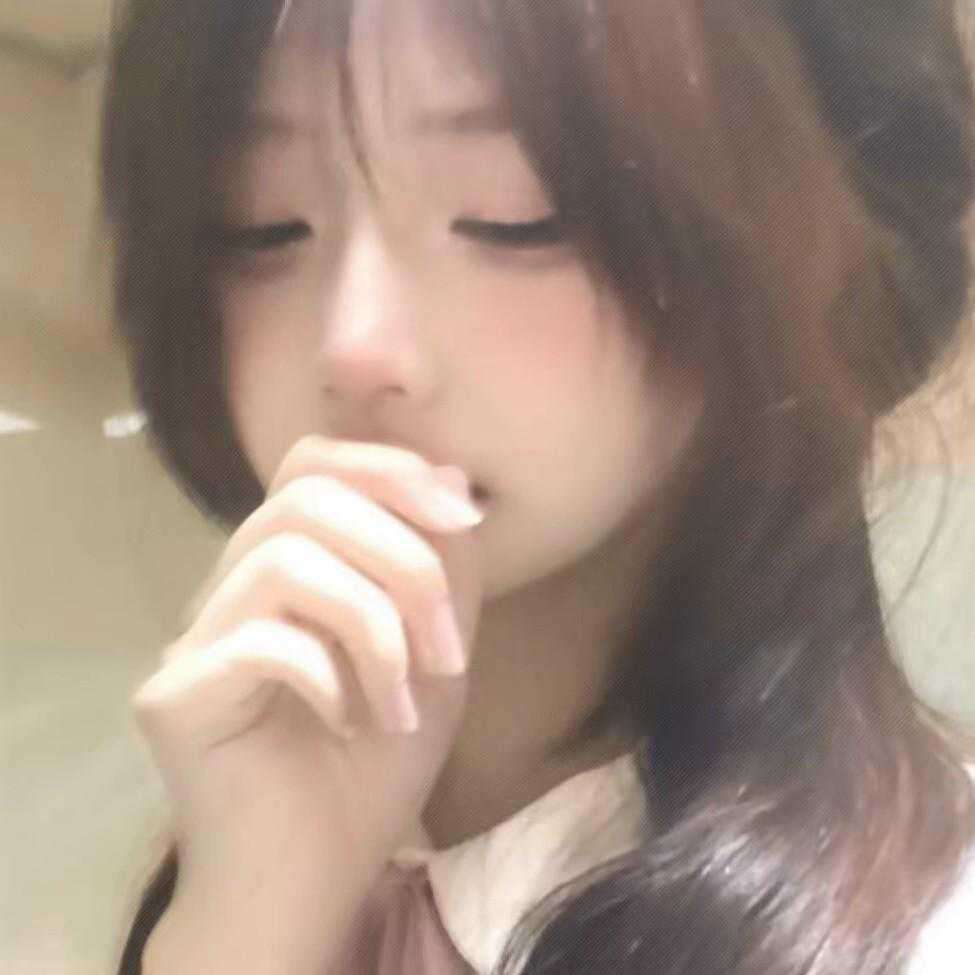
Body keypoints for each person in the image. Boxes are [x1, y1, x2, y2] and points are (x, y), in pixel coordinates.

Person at [100, 0, 975, 972]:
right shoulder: (221, 853)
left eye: (513, 215)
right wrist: (244, 927)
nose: (354, 345)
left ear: (822, 252)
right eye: (261, 224)